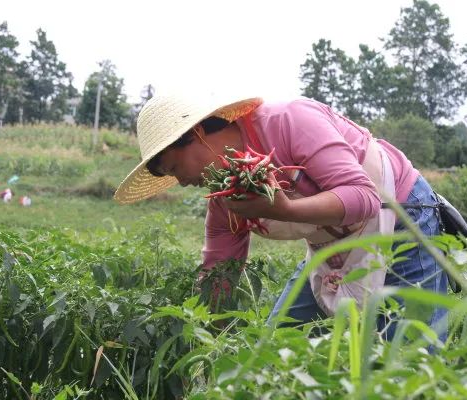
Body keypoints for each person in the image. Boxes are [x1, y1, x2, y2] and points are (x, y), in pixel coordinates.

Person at [114, 93, 448, 342]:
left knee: (411, 351)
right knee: (275, 346)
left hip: (401, 213)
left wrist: (283, 209)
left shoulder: (288, 121)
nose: (183, 181)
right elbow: (220, 266)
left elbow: (363, 198)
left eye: (175, 168)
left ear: (196, 134)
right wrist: (205, 332)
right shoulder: (227, 197)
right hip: (332, 242)